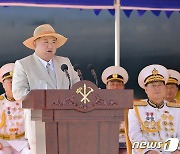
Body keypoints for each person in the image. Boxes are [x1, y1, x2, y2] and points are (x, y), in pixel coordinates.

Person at [12, 24, 80, 154]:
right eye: (46, 42)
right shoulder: (24, 64)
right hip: (39, 124)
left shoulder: (64, 62)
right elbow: (18, 92)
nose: (50, 46)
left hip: (65, 123)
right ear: (35, 44)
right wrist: (44, 98)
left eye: (53, 42)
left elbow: (77, 85)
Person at [128, 64, 180, 154]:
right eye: (153, 85)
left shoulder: (176, 109)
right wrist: (148, 151)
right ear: (146, 90)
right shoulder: (136, 108)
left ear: (164, 87)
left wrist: (176, 150)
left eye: (160, 85)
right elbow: (135, 135)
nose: (157, 89)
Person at [0, 63, 30, 154]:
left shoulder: (28, 101)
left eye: (17, 82)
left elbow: (34, 123)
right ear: (3, 85)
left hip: (23, 141)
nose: (14, 86)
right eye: (10, 82)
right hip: (3, 142)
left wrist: (33, 141)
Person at [101, 66, 129, 154]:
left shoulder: (131, 104)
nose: (115, 87)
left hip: (126, 145)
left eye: (118, 84)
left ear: (123, 87)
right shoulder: (100, 105)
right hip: (106, 145)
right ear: (107, 86)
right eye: (112, 84)